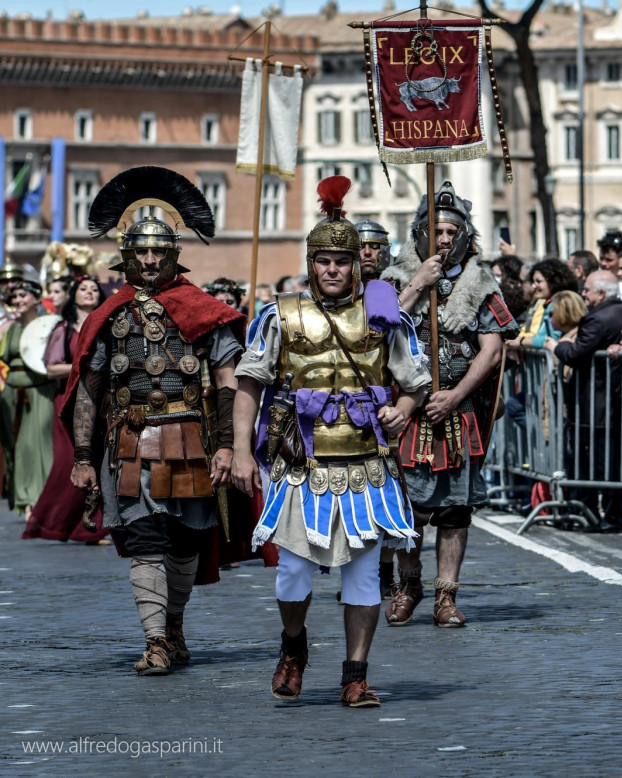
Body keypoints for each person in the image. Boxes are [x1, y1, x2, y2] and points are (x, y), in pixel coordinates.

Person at [231, 176, 429, 704]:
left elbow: (415, 385)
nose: (334, 270)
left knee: (363, 579)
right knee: (292, 576)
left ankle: (355, 674)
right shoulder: (281, 314)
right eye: (324, 261)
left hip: (366, 465)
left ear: (357, 263)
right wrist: (243, 451)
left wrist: (401, 412)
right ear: (313, 263)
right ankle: (294, 646)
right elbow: (248, 384)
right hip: (300, 465)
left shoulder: (387, 315)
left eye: (342, 261)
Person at [65, 166, 248, 676]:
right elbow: (89, 388)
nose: (149, 260)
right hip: (128, 444)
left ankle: (174, 626)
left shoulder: (203, 310)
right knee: (146, 540)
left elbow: (230, 383)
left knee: (187, 542)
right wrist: (83, 457)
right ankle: (155, 641)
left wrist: (228, 446)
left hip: (191, 440)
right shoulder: (109, 316)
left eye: (158, 252)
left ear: (173, 255)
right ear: (127, 255)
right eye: (141, 252)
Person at [380, 181, 518, 627]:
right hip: (405, 411)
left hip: (457, 413)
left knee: (455, 509)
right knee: (407, 509)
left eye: (452, 231)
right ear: (420, 233)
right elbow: (376, 331)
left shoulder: (480, 283)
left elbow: (492, 349)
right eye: (436, 230)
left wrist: (457, 395)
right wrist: (419, 284)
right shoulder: (393, 280)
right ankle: (410, 583)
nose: (444, 239)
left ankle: (445, 596)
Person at [548, 269, 622, 532]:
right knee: (610, 461)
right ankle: (611, 514)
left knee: (603, 462)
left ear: (601, 293)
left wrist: (556, 347)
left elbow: (576, 353)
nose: (583, 293)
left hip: (598, 405)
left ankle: (613, 515)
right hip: (618, 402)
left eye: (587, 289)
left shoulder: (598, 319)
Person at [24, 274, 110, 544]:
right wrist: (86, 365)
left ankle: (91, 527)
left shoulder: (107, 326)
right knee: (69, 462)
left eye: (94, 289)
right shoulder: (64, 328)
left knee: (101, 459)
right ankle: (52, 522)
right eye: (83, 289)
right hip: (70, 401)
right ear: (73, 295)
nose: (89, 293)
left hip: (103, 402)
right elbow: (51, 368)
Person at [0, 276, 58, 522]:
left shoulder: (49, 326)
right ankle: (24, 500)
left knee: (41, 444)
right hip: (13, 392)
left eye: (23, 295)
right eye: (14, 297)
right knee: (17, 446)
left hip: (40, 390)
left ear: (36, 299)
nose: (18, 300)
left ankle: (41, 499)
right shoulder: (9, 327)